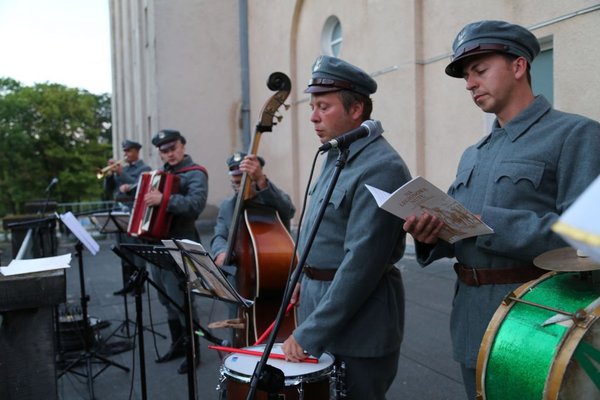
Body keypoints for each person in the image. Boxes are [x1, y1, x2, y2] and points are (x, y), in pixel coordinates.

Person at [402, 20, 600, 399]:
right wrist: (429, 234)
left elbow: (589, 241)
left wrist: (493, 224)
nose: (470, 83)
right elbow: (462, 230)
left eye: (480, 70)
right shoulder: (473, 154)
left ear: (519, 66)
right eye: (466, 76)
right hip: (470, 319)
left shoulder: (575, 135)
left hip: (537, 321)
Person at [281, 55, 412, 400]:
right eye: (312, 106)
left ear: (356, 111)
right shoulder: (336, 155)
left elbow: (361, 266)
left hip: (361, 329)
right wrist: (299, 278)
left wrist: (310, 331)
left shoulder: (382, 167)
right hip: (319, 305)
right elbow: (316, 230)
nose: (313, 116)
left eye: (323, 106)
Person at [146, 129, 209, 374]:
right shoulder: (163, 175)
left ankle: (194, 350)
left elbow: (195, 206)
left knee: (184, 302)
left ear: (183, 145)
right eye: (164, 151)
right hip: (158, 245)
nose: (169, 154)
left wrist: (164, 200)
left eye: (173, 148)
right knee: (166, 299)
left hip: (181, 245)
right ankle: (178, 345)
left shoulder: (195, 173)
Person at [210, 152, 296, 268]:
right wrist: (221, 252)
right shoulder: (227, 205)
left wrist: (262, 181)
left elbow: (288, 210)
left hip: (274, 267)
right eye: (235, 183)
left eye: (242, 182)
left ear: (254, 180)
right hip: (240, 272)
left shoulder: (271, 199)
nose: (238, 189)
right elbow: (219, 235)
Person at [103, 139, 151, 295]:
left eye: (129, 151)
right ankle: (127, 285)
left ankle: (139, 286)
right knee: (122, 249)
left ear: (137, 151)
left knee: (136, 250)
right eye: (125, 151)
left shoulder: (145, 168)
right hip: (120, 213)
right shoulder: (120, 170)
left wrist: (121, 173)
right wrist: (109, 176)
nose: (126, 154)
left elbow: (140, 186)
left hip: (134, 213)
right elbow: (108, 190)